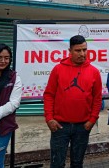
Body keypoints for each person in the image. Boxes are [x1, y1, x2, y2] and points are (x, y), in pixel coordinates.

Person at [44, 35, 102, 168]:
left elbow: (97, 99)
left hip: (83, 127)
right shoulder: (58, 69)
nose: (82, 54)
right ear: (69, 51)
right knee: (57, 163)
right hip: (59, 126)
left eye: (84, 50)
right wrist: (49, 118)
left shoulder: (94, 72)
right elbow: (49, 95)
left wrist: (92, 120)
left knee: (77, 163)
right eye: (78, 50)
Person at [0, 43, 22, 168]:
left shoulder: (13, 77)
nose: (3, 61)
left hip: (1, 126)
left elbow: (14, 103)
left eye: (7, 58)